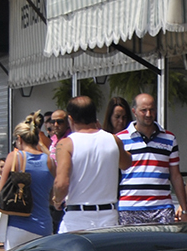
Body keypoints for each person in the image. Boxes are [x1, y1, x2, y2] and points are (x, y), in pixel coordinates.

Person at [51, 95, 132, 233]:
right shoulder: (113, 140)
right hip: (108, 215)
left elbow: (61, 184)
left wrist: (57, 200)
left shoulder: (66, 144)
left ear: (71, 119)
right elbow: (126, 163)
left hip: (78, 215)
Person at [116, 92, 187, 224]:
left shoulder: (169, 138)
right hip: (130, 208)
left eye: (152, 109)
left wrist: (184, 210)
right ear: (134, 111)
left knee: (163, 244)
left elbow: (176, 176)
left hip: (162, 208)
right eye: (144, 110)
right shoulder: (120, 139)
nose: (148, 114)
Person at [0, 114, 56, 249]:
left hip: (18, 227)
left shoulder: (14, 157)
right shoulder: (49, 161)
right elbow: (52, 198)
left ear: (19, 139)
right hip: (44, 227)